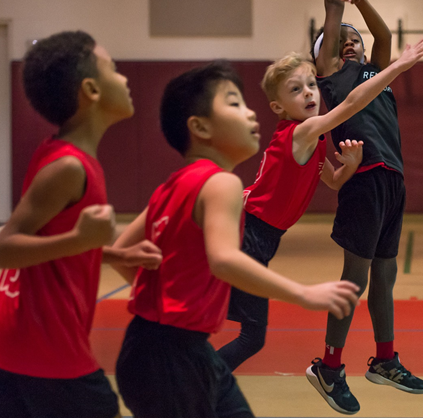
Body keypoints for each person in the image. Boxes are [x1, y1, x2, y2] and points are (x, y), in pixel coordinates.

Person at [111, 62, 360, 418]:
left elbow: (121, 254)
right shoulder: (223, 183)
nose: (250, 113)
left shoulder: (174, 184)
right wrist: (303, 293)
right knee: (251, 337)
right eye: (234, 103)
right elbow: (224, 259)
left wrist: (165, 300)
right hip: (172, 354)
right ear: (199, 127)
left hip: (154, 346)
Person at [219, 38, 423, 372]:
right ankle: (195, 383)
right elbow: (349, 105)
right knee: (248, 335)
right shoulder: (301, 132)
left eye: (311, 86)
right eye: (296, 89)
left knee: (230, 326)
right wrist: (398, 67)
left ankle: (187, 375)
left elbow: (332, 181)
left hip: (259, 237)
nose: (309, 93)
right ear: (278, 107)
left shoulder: (312, 140)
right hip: (249, 236)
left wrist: (350, 164)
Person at [0, 30, 162, 418]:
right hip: (44, 351)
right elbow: (6, 246)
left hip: (25, 348)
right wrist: (78, 241)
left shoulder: (61, 154)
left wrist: (110, 252)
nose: (124, 78)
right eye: (113, 69)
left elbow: (49, 237)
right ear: (90, 90)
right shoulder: (68, 167)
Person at [305, 0, 423, 415]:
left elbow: (383, 35)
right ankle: (329, 366)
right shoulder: (332, 78)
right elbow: (333, 9)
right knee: (354, 277)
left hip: (392, 178)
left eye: (354, 40)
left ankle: (383, 360)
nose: (352, 42)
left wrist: (367, 3)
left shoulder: (376, 74)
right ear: (328, 51)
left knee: (384, 276)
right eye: (342, 40)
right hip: (363, 175)